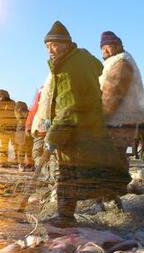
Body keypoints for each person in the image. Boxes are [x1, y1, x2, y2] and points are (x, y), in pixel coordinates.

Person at [35, 21, 130, 225]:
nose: (50, 50)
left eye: (54, 45)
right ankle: (116, 209)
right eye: (47, 46)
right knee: (96, 172)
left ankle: (65, 217)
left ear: (66, 44)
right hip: (90, 127)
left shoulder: (69, 69)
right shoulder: (81, 60)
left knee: (67, 175)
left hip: (76, 132)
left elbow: (69, 107)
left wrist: (53, 138)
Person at [99, 30, 144, 170]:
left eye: (108, 47)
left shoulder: (121, 63)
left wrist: (98, 119)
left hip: (118, 121)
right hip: (120, 120)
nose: (105, 51)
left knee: (113, 160)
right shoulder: (117, 61)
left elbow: (111, 96)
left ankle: (117, 182)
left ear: (118, 46)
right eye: (102, 48)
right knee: (115, 160)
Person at [0, 90, 17, 167]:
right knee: (2, 145)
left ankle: (13, 161)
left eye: (0, 95)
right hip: (2, 127)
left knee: (11, 144)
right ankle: (2, 161)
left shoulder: (12, 104)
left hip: (10, 127)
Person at [14, 101, 33, 171]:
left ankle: (26, 164)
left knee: (26, 149)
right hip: (22, 131)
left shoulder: (25, 113)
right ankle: (23, 164)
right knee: (25, 149)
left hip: (24, 130)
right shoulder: (19, 113)